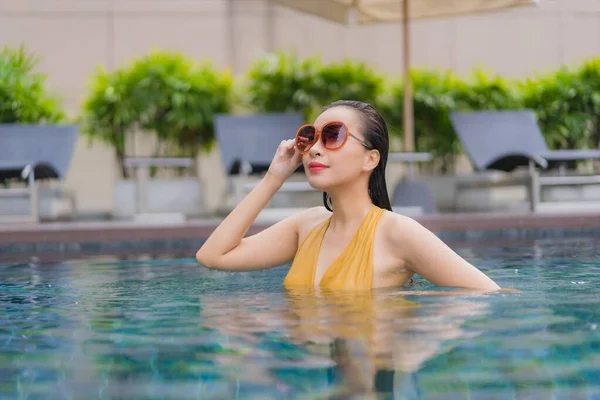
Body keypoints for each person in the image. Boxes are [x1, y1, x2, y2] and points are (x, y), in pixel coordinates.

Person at [196, 100, 500, 292]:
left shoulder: (396, 232)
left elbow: (488, 294)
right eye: (310, 137)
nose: (315, 147)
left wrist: (414, 350)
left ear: (370, 159)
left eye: (333, 136)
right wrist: (274, 178)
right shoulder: (307, 227)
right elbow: (212, 256)